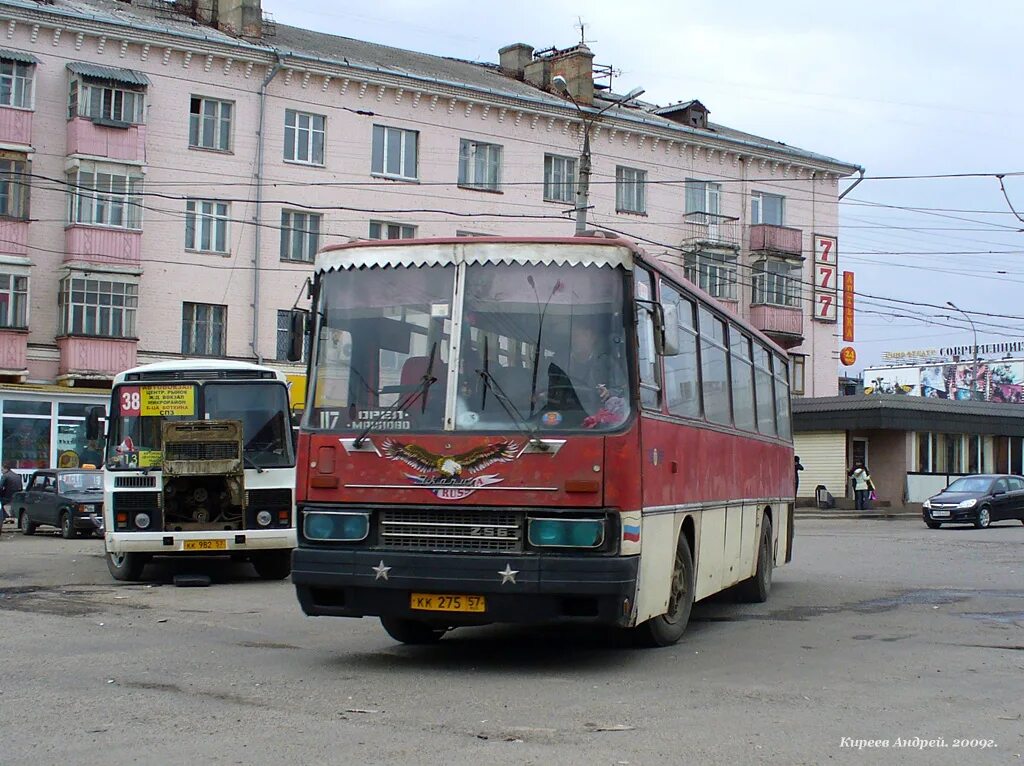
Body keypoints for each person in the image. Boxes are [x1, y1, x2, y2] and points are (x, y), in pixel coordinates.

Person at [1, 461, 23, 528]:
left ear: (6, 469)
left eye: (2, 469)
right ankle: (6, 515)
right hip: (17, 496)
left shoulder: (5, 476)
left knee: (0, 503)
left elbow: (0, 486)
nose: (1, 471)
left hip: (8, 497)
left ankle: (4, 516)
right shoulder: (17, 475)